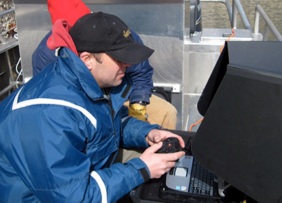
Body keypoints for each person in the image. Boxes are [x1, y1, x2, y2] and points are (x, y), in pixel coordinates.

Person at [0, 12, 185, 202]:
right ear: (87, 60)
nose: (128, 64)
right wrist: (142, 169)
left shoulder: (93, 83)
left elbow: (108, 123)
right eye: (119, 58)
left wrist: (146, 134)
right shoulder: (49, 114)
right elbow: (76, 198)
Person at [32, 0, 178, 129]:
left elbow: (141, 71)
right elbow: (49, 106)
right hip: (82, 110)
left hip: (121, 95)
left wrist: (138, 103)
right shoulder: (45, 57)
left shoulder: (114, 33)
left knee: (167, 112)